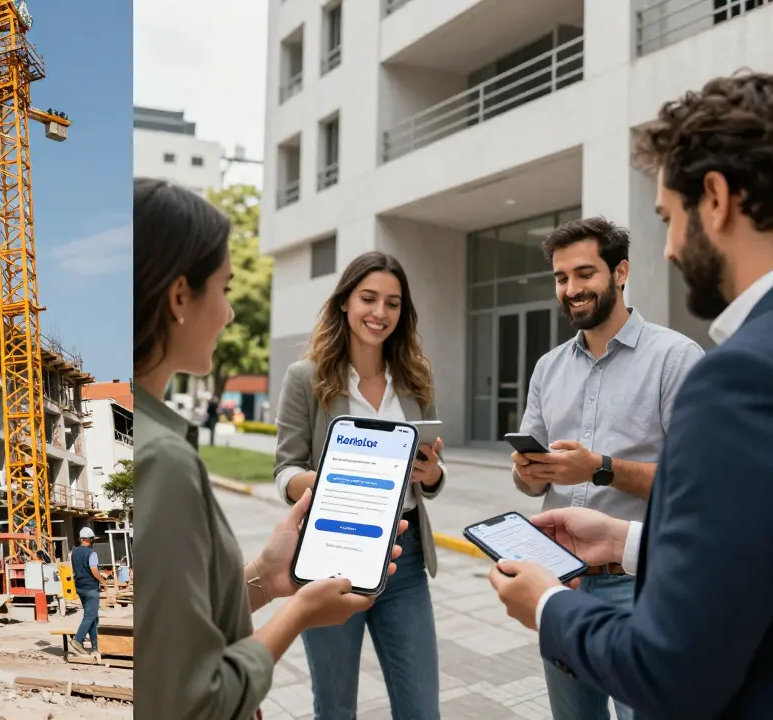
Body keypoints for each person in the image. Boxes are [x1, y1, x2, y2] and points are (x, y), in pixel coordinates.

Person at [489, 70, 773, 719]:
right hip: (578, 559)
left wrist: (547, 603)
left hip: (638, 603)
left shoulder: (716, 372)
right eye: (559, 277)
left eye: (669, 218)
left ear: (718, 198)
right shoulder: (547, 367)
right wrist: (618, 537)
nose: (671, 246)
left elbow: (675, 670)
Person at [133, 177, 407, 720]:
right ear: (180, 296)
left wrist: (262, 576)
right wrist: (300, 611)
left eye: (393, 303)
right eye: (227, 287)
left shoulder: (146, 434)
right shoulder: (162, 458)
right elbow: (192, 700)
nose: (231, 313)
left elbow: (177, 621)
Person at [508, 215, 703, 720]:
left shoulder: (675, 358)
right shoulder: (547, 368)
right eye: (560, 277)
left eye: (584, 274)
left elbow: (696, 486)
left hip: (639, 583)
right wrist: (528, 473)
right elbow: (529, 484)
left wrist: (600, 468)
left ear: (620, 273)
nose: (571, 289)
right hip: (561, 581)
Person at [273, 251, 449, 719]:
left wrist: (431, 474)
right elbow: (285, 471)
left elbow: (432, 471)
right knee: (334, 708)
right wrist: (340, 477)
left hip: (403, 558)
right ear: (345, 303)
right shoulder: (305, 378)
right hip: (331, 552)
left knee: (421, 710)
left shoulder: (416, 378)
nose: (380, 313)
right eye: (369, 298)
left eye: (393, 303)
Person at [70, 526, 104, 656]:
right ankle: (78, 640)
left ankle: (95, 646)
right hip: (91, 588)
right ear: (90, 540)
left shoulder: (74, 552)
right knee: (90, 616)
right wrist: (103, 582)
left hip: (80, 587)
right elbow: (94, 571)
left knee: (93, 616)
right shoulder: (91, 553)